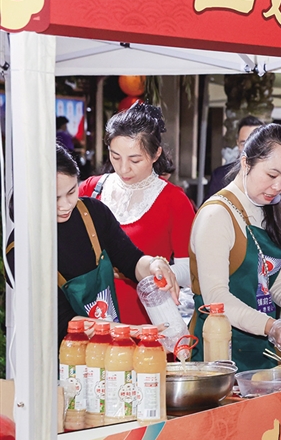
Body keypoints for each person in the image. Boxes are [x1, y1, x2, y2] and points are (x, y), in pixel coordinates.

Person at [188, 123, 281, 371]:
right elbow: (216, 298)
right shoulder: (216, 215)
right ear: (246, 163)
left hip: (260, 351)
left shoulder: (265, 208)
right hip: (220, 353)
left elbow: (273, 280)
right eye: (271, 175)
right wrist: (271, 326)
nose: (278, 187)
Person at [7, 145, 179, 343]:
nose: (65, 205)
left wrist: (153, 265)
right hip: (58, 354)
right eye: (55, 199)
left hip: (108, 348)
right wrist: (132, 330)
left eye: (71, 192)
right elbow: (62, 321)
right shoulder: (20, 249)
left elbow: (131, 260)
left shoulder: (92, 214)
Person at [79, 103, 194, 325]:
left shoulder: (174, 200)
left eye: (135, 160)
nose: (123, 168)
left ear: (156, 154)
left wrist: (142, 269)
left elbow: (188, 269)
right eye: (115, 156)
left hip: (146, 320)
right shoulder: (91, 189)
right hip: (91, 317)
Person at [206, 115, 264, 198]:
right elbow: (209, 205)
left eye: (254, 143)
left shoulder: (276, 177)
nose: (248, 148)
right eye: (243, 143)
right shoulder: (220, 176)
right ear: (238, 143)